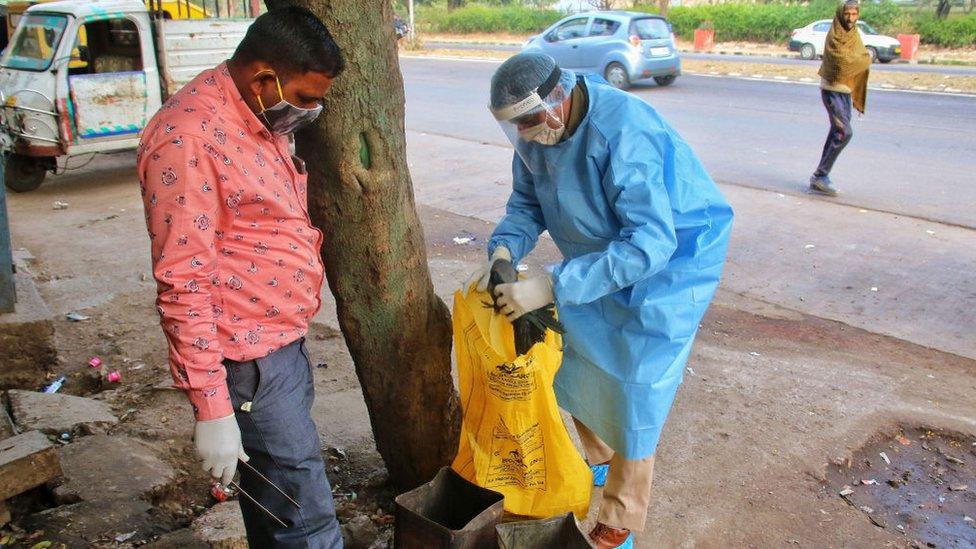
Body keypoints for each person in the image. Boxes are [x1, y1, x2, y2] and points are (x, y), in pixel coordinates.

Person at [467, 52, 733, 548]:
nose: (523, 133)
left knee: (636, 388)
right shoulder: (537, 132)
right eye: (514, 125)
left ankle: (620, 519)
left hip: (669, 266)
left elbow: (651, 243)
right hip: (595, 259)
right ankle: (601, 459)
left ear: (557, 98)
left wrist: (551, 286)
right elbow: (527, 204)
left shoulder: (623, 133)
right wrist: (504, 248)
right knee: (577, 362)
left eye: (527, 120)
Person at [137, 7, 345, 547]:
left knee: (283, 502)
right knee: (304, 518)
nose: (311, 111)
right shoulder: (186, 138)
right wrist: (212, 407)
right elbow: (183, 280)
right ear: (262, 78)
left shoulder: (255, 116)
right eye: (303, 98)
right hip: (245, 362)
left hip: (280, 347)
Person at [810, 0, 871, 196]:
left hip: (846, 91)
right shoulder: (835, 34)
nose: (851, 18)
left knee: (837, 133)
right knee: (845, 132)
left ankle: (819, 177)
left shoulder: (854, 35)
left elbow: (861, 57)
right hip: (831, 89)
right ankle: (820, 175)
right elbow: (840, 61)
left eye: (854, 14)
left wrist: (861, 59)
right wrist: (860, 60)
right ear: (841, 14)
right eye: (847, 14)